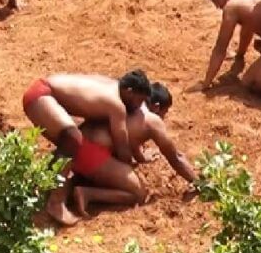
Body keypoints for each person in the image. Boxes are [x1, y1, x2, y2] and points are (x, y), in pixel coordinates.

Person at [21, 70, 151, 225]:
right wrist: (127, 169)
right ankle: (56, 203)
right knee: (72, 137)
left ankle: (45, 186)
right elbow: (122, 147)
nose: (139, 106)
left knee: (69, 140)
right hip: (42, 96)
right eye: (139, 100)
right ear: (129, 92)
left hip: (41, 89)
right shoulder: (117, 106)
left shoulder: (110, 84)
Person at [70, 82, 197, 217]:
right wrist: (200, 182)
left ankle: (80, 180)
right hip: (89, 155)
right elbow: (175, 157)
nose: (164, 118)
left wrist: (141, 157)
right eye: (164, 113)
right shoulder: (151, 121)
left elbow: (128, 138)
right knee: (138, 194)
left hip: (72, 147)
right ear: (156, 107)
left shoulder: (131, 104)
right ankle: (88, 194)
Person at [202, 0, 261, 89]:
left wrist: (206, 83)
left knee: (250, 82)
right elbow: (248, 29)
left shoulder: (232, 7)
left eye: (216, 0)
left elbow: (220, 49)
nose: (217, 6)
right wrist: (240, 55)